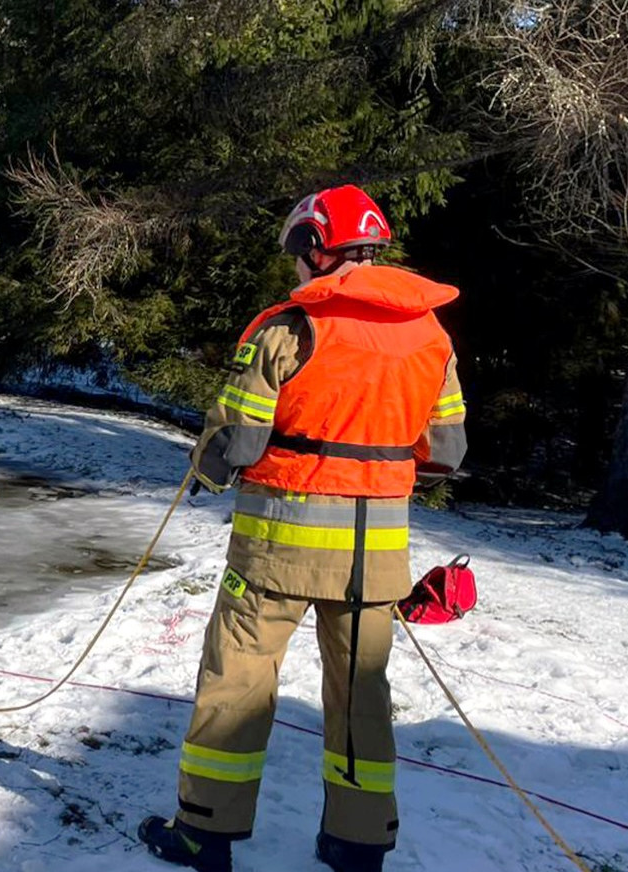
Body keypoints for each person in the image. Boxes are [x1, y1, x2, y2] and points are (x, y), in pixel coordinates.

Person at [138, 185, 468, 872]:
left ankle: (206, 831)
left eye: (297, 254)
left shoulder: (288, 329)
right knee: (361, 696)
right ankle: (358, 842)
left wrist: (205, 472)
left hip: (275, 552)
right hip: (374, 560)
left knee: (238, 682)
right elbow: (448, 453)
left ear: (314, 249)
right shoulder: (431, 335)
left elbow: (237, 446)